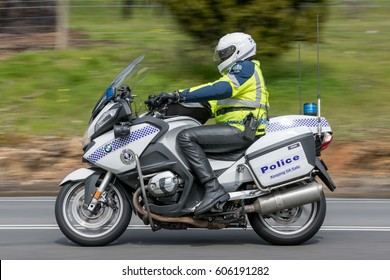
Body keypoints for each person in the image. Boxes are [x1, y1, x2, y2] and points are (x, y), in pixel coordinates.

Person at [150, 32, 270, 215]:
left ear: (238, 51)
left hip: (240, 130)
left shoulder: (245, 68)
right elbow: (209, 98)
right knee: (186, 133)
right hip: (238, 129)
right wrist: (171, 102)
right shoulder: (238, 76)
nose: (221, 58)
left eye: (224, 53)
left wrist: (178, 95)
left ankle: (213, 189)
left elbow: (219, 89)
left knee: (186, 137)